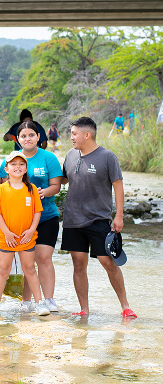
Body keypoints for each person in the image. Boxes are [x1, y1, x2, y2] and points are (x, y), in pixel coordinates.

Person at [60, 117, 137, 318]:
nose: (71, 137)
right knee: (78, 264)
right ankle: (84, 309)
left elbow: (118, 186)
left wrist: (119, 216)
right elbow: (62, 180)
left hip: (99, 219)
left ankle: (125, 307)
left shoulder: (107, 157)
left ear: (87, 135)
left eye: (74, 133)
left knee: (108, 262)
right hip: (72, 220)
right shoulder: (70, 154)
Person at [0, 121, 62, 313]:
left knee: (43, 258)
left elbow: (56, 186)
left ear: (38, 137)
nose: (27, 139)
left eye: (31, 135)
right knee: (28, 261)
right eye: (23, 136)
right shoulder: (10, 160)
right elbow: (5, 188)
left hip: (46, 216)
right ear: (17, 139)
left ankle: (49, 299)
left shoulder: (49, 158)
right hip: (19, 220)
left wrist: (44, 193)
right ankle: (26, 301)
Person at [0, 151, 50, 316]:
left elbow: (37, 212)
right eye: (13, 164)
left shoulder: (32, 189)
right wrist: (6, 232)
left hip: (26, 238)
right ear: (6, 168)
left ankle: (40, 303)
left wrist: (31, 230)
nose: (17, 167)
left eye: (21, 164)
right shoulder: (0, 189)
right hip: (6, 237)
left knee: (29, 269)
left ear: (26, 168)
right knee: (3, 269)